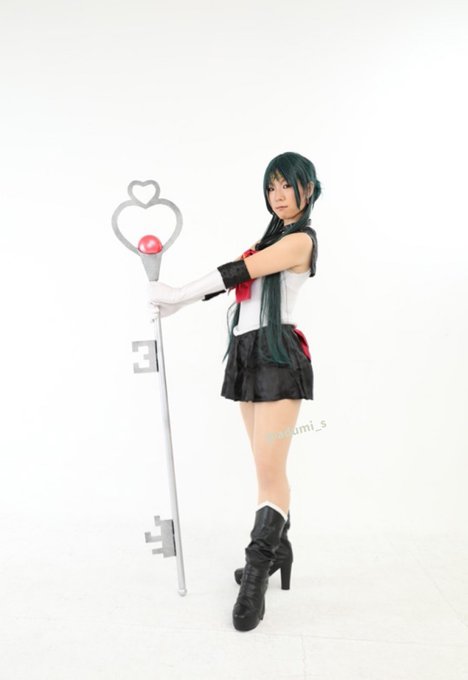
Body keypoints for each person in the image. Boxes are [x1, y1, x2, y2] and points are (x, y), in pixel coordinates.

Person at [147, 151, 321, 632]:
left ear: (308, 189)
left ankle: (257, 570)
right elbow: (240, 278)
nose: (278, 195)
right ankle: (280, 548)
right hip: (248, 354)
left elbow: (241, 271)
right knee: (264, 467)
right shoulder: (271, 239)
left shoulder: (300, 240)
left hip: (278, 356)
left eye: (287, 185)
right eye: (272, 187)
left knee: (270, 470)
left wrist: (177, 294)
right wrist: (179, 306)